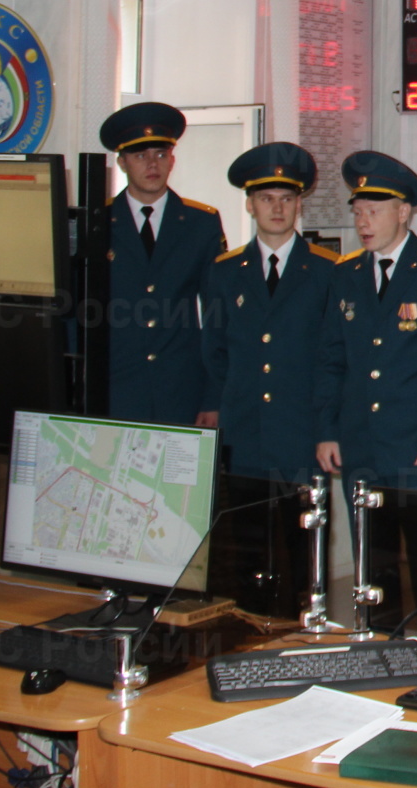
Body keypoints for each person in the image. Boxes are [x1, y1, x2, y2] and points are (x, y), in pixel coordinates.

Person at [313, 152, 417, 632]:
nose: (363, 222)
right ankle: (378, 648)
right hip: (361, 443)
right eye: (357, 212)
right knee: (371, 567)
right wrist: (328, 430)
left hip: (416, 447)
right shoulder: (346, 274)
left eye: (373, 211)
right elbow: (331, 359)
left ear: (403, 211)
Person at [200, 143, 337, 618]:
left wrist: (328, 427)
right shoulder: (222, 273)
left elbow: (332, 359)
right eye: (266, 199)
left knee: (304, 546)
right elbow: (214, 350)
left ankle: (305, 625)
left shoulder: (327, 272)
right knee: (246, 547)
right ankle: (248, 626)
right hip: (247, 430)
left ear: (300, 203)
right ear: (249, 204)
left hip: (301, 432)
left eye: (286, 198)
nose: (276, 208)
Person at [99, 101, 225, 426]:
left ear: (172, 159)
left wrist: (213, 396)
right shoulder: (97, 223)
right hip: (114, 391)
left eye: (160, 153)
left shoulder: (201, 224)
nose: (152, 164)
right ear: (122, 162)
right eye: (140, 156)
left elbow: (217, 315)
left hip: (182, 392)